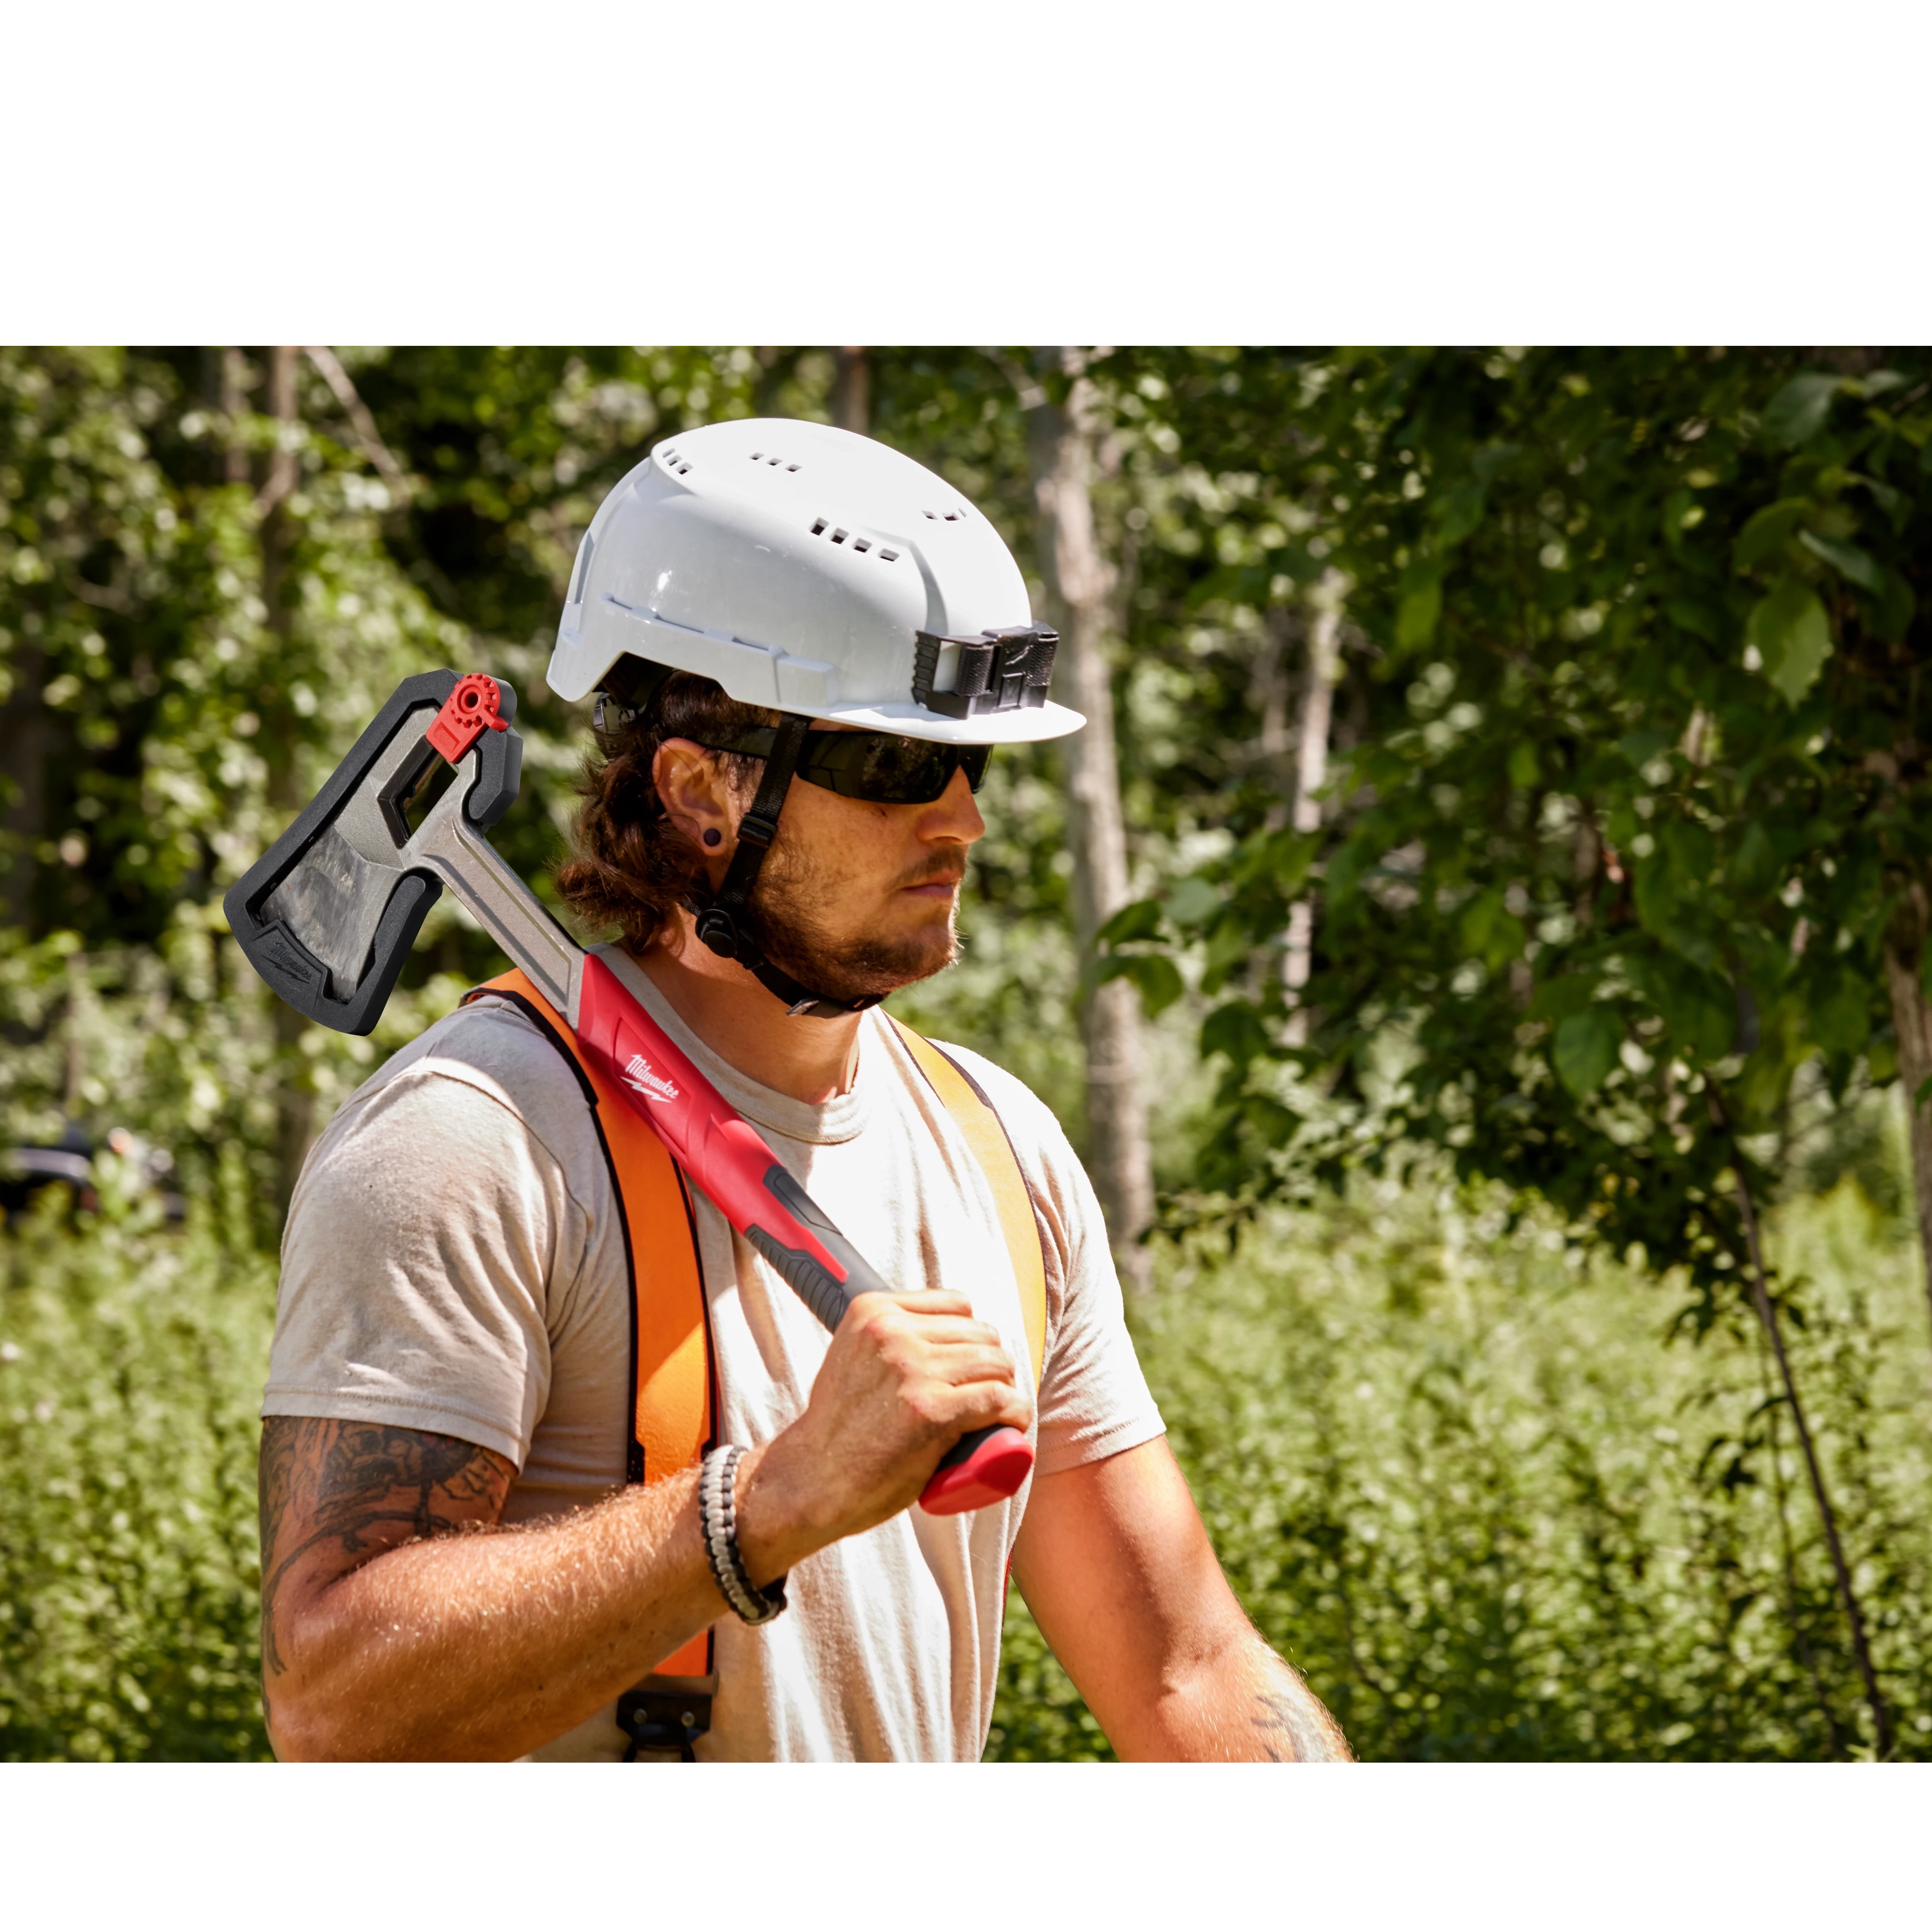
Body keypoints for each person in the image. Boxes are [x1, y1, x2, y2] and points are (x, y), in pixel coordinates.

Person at [256, 418, 1350, 1763]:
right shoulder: (472, 1143)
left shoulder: (1000, 1148)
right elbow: (333, 1704)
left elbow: (1186, 1670)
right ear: (699, 784)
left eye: (973, 763)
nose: (961, 819)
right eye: (893, 765)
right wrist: (761, 1505)